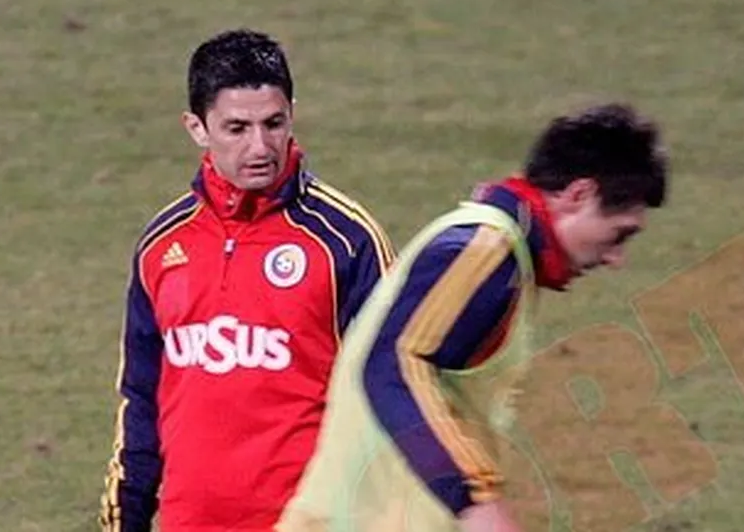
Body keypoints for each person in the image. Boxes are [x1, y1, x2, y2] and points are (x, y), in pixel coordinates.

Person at [276, 102, 669, 532]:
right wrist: (474, 502)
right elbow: (391, 365)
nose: (616, 258)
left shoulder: (497, 251)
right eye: (619, 234)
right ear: (579, 195)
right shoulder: (486, 251)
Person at [98, 29, 395, 532]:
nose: (260, 147)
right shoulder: (162, 245)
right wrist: (126, 515)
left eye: (273, 123)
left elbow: (396, 393)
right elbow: (141, 401)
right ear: (197, 128)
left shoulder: (346, 241)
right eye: (236, 128)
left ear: (292, 115)